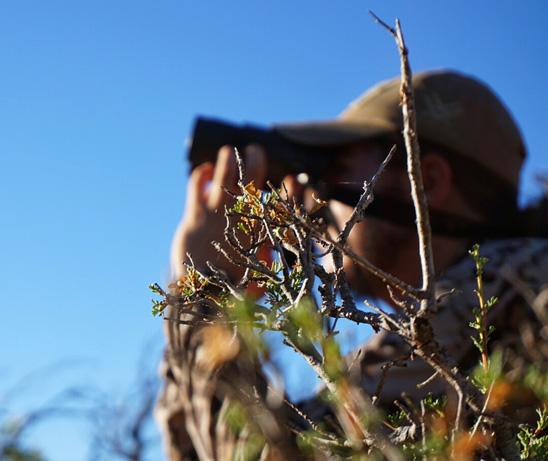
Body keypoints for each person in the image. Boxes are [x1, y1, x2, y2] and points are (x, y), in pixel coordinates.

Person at [156, 69, 548, 460]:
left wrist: (204, 292)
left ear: (423, 181)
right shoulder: (444, 326)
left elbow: (279, 453)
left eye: (335, 169)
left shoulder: (514, 285)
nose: (314, 203)